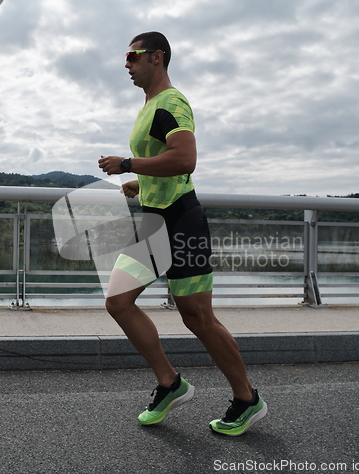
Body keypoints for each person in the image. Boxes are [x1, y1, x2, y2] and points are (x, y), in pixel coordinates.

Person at [98, 31, 267, 436]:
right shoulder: (150, 106)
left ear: (157, 57)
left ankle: (247, 399)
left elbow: (185, 158)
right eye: (125, 57)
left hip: (180, 221)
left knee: (199, 318)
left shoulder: (171, 102)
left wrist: (128, 166)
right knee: (118, 302)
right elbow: (165, 161)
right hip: (154, 221)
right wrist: (142, 183)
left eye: (133, 56)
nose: (126, 63)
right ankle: (170, 383)